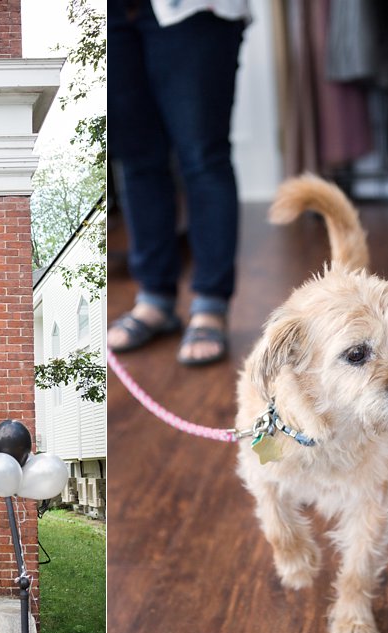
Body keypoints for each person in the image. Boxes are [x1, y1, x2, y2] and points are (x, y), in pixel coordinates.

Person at [107, 0, 249, 365]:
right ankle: (155, 297)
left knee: (203, 157)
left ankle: (210, 303)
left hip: (192, 9)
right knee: (136, 160)